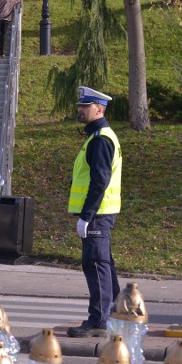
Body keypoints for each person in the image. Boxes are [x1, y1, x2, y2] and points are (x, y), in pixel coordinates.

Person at [66, 87, 122, 338]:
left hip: (98, 214)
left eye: (85, 106)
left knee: (96, 264)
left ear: (99, 109)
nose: (80, 110)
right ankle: (116, 312)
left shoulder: (100, 139)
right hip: (101, 213)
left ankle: (99, 321)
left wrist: (87, 216)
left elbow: (100, 181)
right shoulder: (98, 136)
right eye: (80, 105)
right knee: (104, 263)